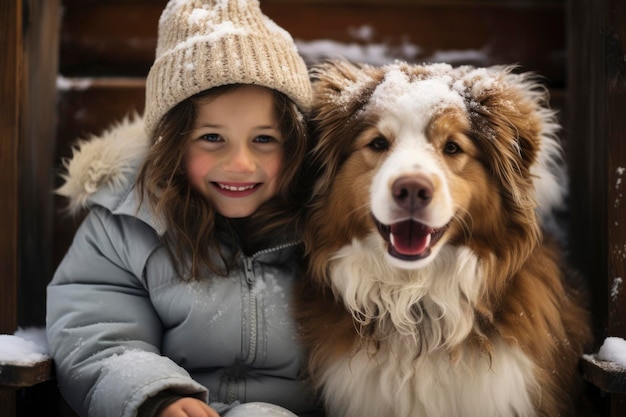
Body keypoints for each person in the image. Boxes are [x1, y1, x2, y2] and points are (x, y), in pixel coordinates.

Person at [46, 1, 321, 416]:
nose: (241, 163)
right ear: (174, 143)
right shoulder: (127, 223)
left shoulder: (323, 220)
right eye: (212, 137)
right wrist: (156, 394)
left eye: (264, 139)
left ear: (295, 144)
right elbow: (97, 336)